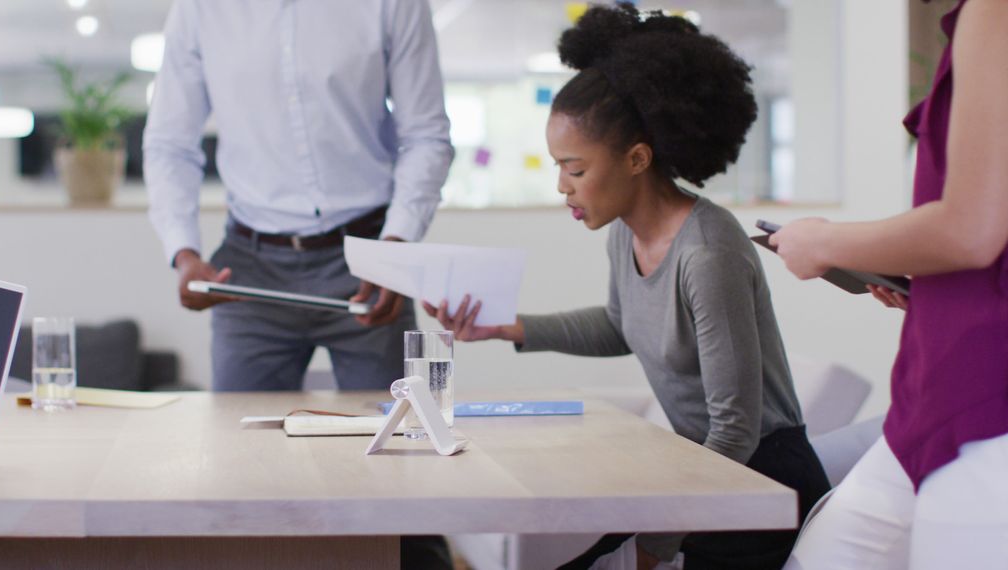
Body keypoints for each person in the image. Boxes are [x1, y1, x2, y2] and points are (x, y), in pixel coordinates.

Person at [425, 6, 829, 569]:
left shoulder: (707, 254)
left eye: (575, 169)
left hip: (756, 485)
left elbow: (735, 431)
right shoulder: (626, 233)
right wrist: (505, 328)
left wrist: (654, 547)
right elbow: (622, 325)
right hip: (702, 472)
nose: (562, 186)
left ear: (637, 158)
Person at [771, 1, 1008, 568]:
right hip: (941, 382)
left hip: (984, 393)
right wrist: (935, 295)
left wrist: (824, 243)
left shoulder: (993, 12)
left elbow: (971, 231)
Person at [143, 0, 454, 392]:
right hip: (250, 273)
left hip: (370, 262)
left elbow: (426, 136)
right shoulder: (199, 9)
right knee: (238, 430)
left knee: (397, 423)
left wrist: (397, 244)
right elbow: (170, 145)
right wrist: (183, 253)